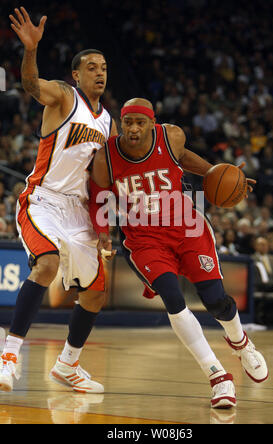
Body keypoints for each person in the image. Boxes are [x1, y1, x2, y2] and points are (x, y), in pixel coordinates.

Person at [88, 98, 268, 409]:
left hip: (187, 227)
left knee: (216, 302)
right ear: (122, 121)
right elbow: (99, 194)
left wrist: (215, 172)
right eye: (127, 122)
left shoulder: (171, 136)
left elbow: (182, 157)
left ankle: (240, 341)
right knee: (173, 299)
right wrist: (103, 233)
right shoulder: (106, 157)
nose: (133, 128)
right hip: (144, 238)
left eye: (140, 123)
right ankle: (218, 377)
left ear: (151, 123)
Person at [0, 7, 117, 393]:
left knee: (97, 291)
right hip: (43, 201)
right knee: (47, 264)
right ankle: (9, 355)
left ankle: (67, 365)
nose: (100, 72)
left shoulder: (108, 123)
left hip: (79, 212)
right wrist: (30, 50)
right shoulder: (65, 97)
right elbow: (32, 85)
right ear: (77, 74)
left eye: (104, 66)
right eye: (92, 66)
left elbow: (103, 181)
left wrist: (104, 228)